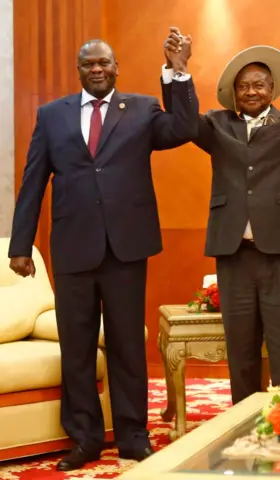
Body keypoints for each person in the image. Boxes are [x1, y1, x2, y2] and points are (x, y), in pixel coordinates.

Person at [8, 34, 199, 471]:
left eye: (104, 63)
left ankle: (133, 435)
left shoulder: (144, 109)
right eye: (88, 64)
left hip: (126, 247)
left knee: (127, 345)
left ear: (116, 68)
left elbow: (185, 128)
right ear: (79, 71)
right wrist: (21, 246)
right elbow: (33, 180)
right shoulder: (51, 116)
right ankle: (85, 438)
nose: (97, 69)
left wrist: (178, 72)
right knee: (76, 348)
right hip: (73, 247)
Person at [161, 20, 280, 405]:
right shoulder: (217, 125)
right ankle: (241, 423)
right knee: (239, 349)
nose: (252, 91)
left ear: (273, 89)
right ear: (234, 94)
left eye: (259, 84)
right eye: (244, 86)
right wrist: (178, 71)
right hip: (234, 255)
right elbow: (183, 123)